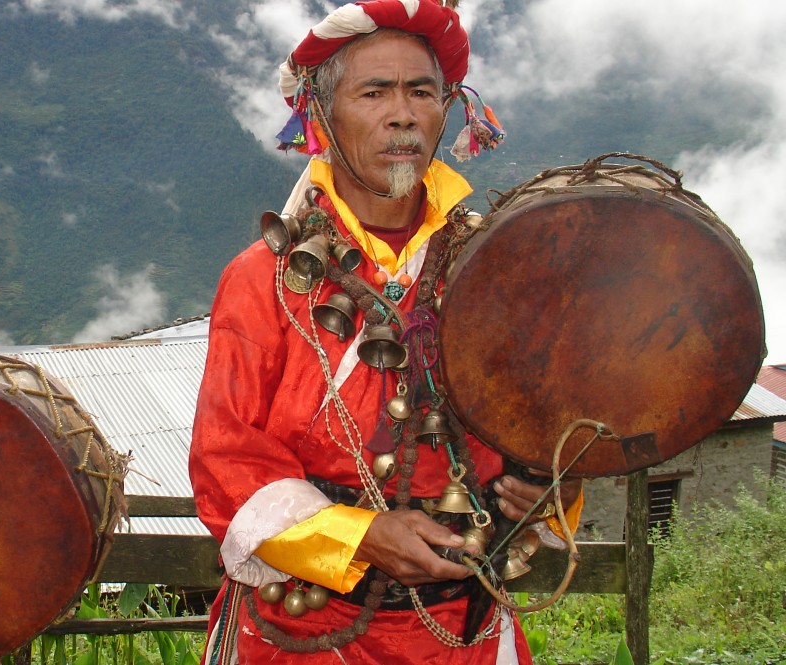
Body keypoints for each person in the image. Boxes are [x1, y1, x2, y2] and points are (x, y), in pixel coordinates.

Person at [189, 1, 585, 662]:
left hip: (467, 634)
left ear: (447, 108)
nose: (403, 114)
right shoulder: (262, 280)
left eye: (422, 92)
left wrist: (552, 489)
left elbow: (547, 425)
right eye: (374, 92)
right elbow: (225, 461)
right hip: (307, 640)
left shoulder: (497, 271)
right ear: (322, 114)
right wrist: (360, 535)